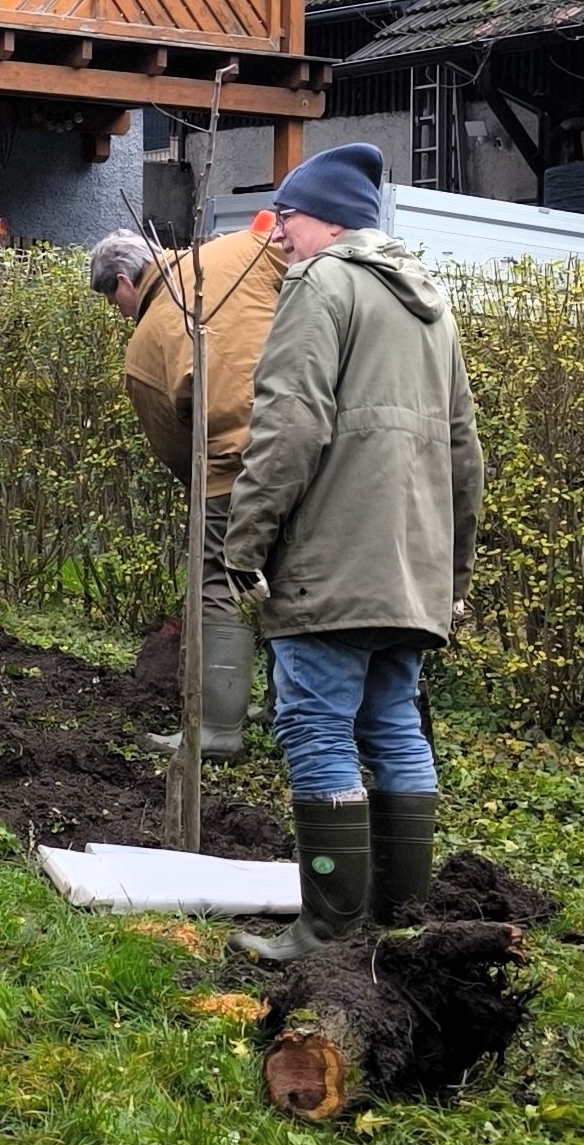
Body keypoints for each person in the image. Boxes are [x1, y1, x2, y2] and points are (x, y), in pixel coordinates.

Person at [222, 142, 484, 961]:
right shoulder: (428, 303)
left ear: (328, 220)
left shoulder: (320, 284)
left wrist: (244, 541)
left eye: (286, 217)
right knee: (394, 725)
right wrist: (452, 573)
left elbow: (289, 422)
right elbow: (464, 450)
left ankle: (329, 930)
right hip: (412, 570)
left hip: (332, 562)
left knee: (314, 725)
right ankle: (399, 922)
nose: (276, 235)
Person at [89, 220, 285, 761]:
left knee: (219, 581)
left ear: (124, 283)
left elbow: (178, 451)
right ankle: (287, 711)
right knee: (294, 578)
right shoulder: (240, 251)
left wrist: (208, 497)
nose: (119, 314)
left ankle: (217, 732)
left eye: (113, 302)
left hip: (229, 468)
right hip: (307, 445)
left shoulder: (145, 346)